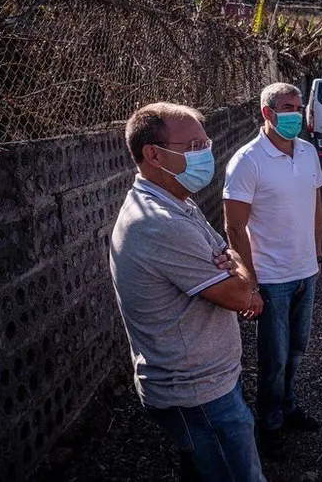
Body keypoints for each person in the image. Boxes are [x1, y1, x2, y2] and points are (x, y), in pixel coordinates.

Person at [109, 103, 266, 482]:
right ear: (154, 154)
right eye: (194, 144)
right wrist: (241, 271)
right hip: (198, 395)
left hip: (204, 385)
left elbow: (227, 256)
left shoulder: (178, 202)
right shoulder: (159, 224)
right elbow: (239, 294)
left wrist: (234, 264)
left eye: (206, 142)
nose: (205, 153)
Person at [223, 82, 322, 449]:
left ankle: (287, 406)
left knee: (296, 350)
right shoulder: (248, 160)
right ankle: (268, 425)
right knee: (274, 357)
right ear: (268, 113)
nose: (295, 114)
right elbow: (234, 226)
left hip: (304, 272)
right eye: (287, 107)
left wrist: (316, 253)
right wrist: (249, 282)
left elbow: (316, 201)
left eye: (298, 107)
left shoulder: (309, 153)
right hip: (271, 278)